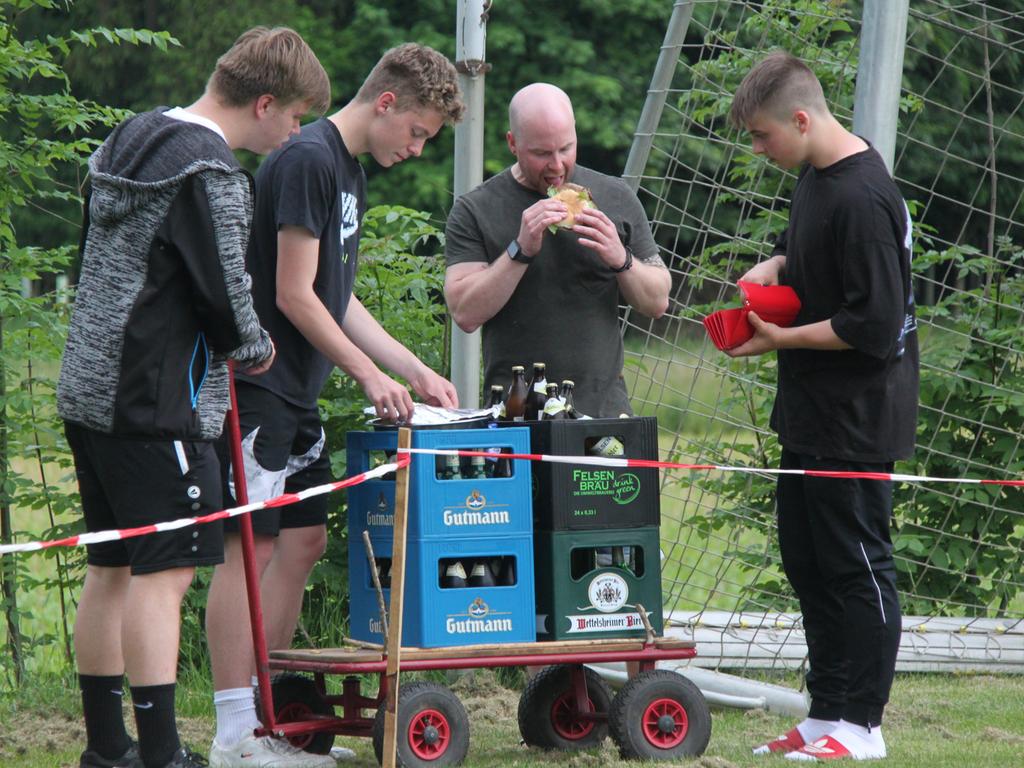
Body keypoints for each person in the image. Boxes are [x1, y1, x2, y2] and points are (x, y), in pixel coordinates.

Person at [56, 27, 330, 768]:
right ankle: (163, 754)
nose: (298, 133)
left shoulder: (131, 136)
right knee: (166, 572)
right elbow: (223, 289)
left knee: (111, 566)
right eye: (298, 116)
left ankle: (109, 750)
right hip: (154, 400)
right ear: (265, 104)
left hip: (89, 386)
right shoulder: (211, 170)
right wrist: (254, 345)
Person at [204, 43, 464, 767]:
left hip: (302, 393)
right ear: (386, 102)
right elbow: (291, 292)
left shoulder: (346, 171)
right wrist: (367, 379)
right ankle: (234, 731)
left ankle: (268, 708)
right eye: (416, 132)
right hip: (259, 389)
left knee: (305, 542)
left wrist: (411, 369)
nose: (416, 149)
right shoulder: (309, 160)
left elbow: (335, 298)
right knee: (248, 548)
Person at [725, 51, 918, 761]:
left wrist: (780, 337)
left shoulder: (864, 196)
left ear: (801, 120)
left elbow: (874, 326)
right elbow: (798, 251)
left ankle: (863, 726)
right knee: (808, 561)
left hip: (857, 421)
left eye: (762, 136)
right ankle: (825, 711)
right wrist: (772, 267)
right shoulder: (814, 175)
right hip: (808, 414)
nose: (758, 148)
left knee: (857, 568)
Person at [443, 82, 671, 418]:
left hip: (603, 412)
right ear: (512, 143)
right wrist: (520, 250)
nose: (557, 166)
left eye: (566, 148)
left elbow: (658, 302)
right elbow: (464, 313)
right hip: (516, 414)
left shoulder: (616, 197)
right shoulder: (475, 209)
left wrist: (620, 258)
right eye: (541, 154)